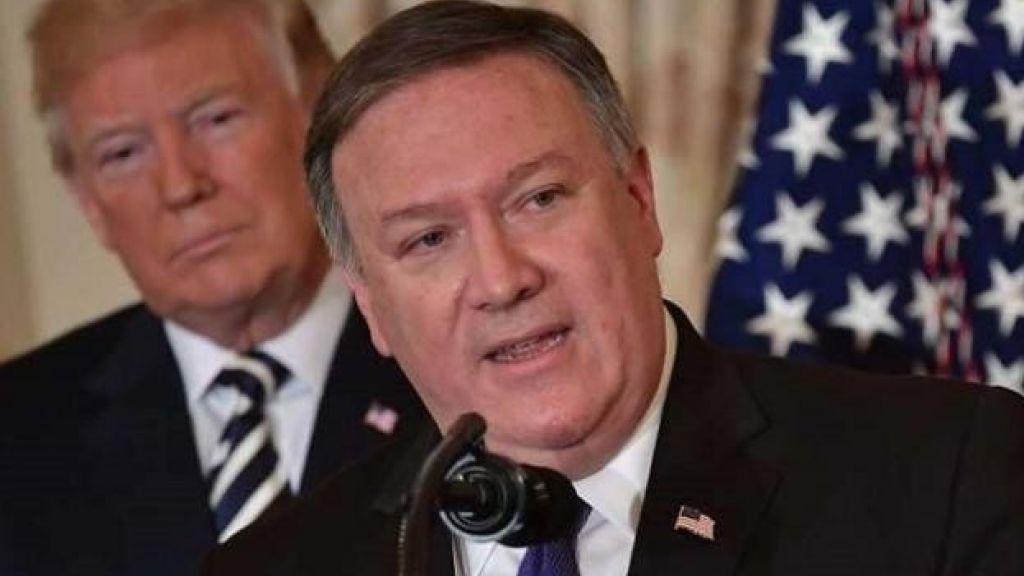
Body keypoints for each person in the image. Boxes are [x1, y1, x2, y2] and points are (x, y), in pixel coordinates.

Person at [203, 1, 1024, 575]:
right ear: (370, 304)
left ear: (639, 201)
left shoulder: (942, 480)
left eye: (539, 200)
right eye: (428, 240)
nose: (501, 280)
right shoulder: (276, 567)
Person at [0, 1, 426, 575]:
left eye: (215, 119)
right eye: (123, 152)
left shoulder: (459, 358)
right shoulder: (19, 435)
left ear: (317, 117)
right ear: (88, 203)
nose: (180, 185)